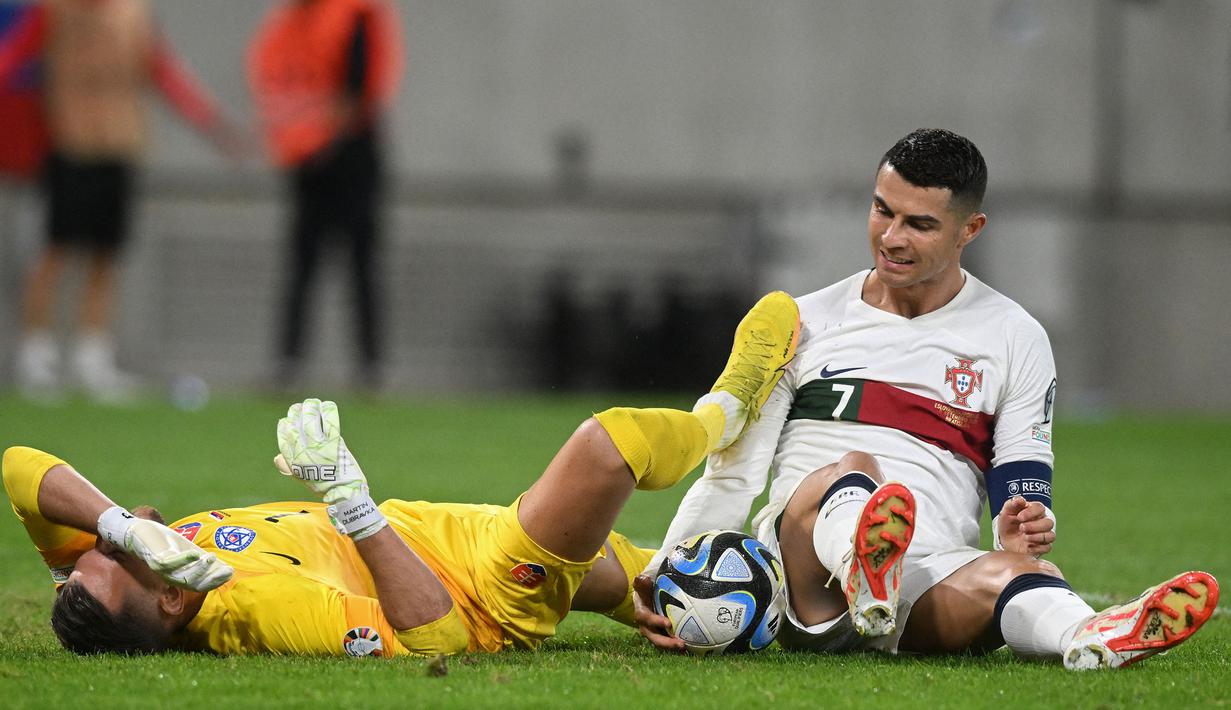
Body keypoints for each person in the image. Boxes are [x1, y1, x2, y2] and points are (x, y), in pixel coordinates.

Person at [633, 129, 1219, 670]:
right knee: (855, 470)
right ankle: (863, 570)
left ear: (970, 230)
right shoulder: (804, 320)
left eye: (919, 224)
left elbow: (1022, 478)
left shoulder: (1014, 335)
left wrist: (1021, 526)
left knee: (1028, 576)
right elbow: (735, 472)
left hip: (922, 581)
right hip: (802, 582)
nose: (891, 238)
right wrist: (669, 572)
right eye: (881, 210)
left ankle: (1091, 636)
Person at [4, 292, 800, 656]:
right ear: (173, 600)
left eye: (95, 550)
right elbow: (434, 639)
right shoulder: (257, 610)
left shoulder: (132, 551)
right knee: (607, 446)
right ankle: (725, 419)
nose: (114, 542)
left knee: (664, 585)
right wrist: (350, 500)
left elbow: (18, 466)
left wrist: (113, 529)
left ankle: (715, 589)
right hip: (487, 591)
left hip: (468, 529)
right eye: (122, 562)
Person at [0, 0, 241, 403]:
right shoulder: (53, 12)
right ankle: (36, 355)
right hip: (70, 143)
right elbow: (11, 59)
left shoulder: (134, 15)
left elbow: (165, 75)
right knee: (55, 251)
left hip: (120, 145)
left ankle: (92, 358)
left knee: (105, 254)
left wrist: (214, 126)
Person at [247, 0, 402, 390]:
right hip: (309, 158)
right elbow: (275, 75)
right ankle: (289, 361)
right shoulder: (291, 21)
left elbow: (360, 87)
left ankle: (370, 366)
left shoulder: (353, 13)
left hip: (351, 155)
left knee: (361, 263)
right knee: (302, 263)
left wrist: (324, 134)